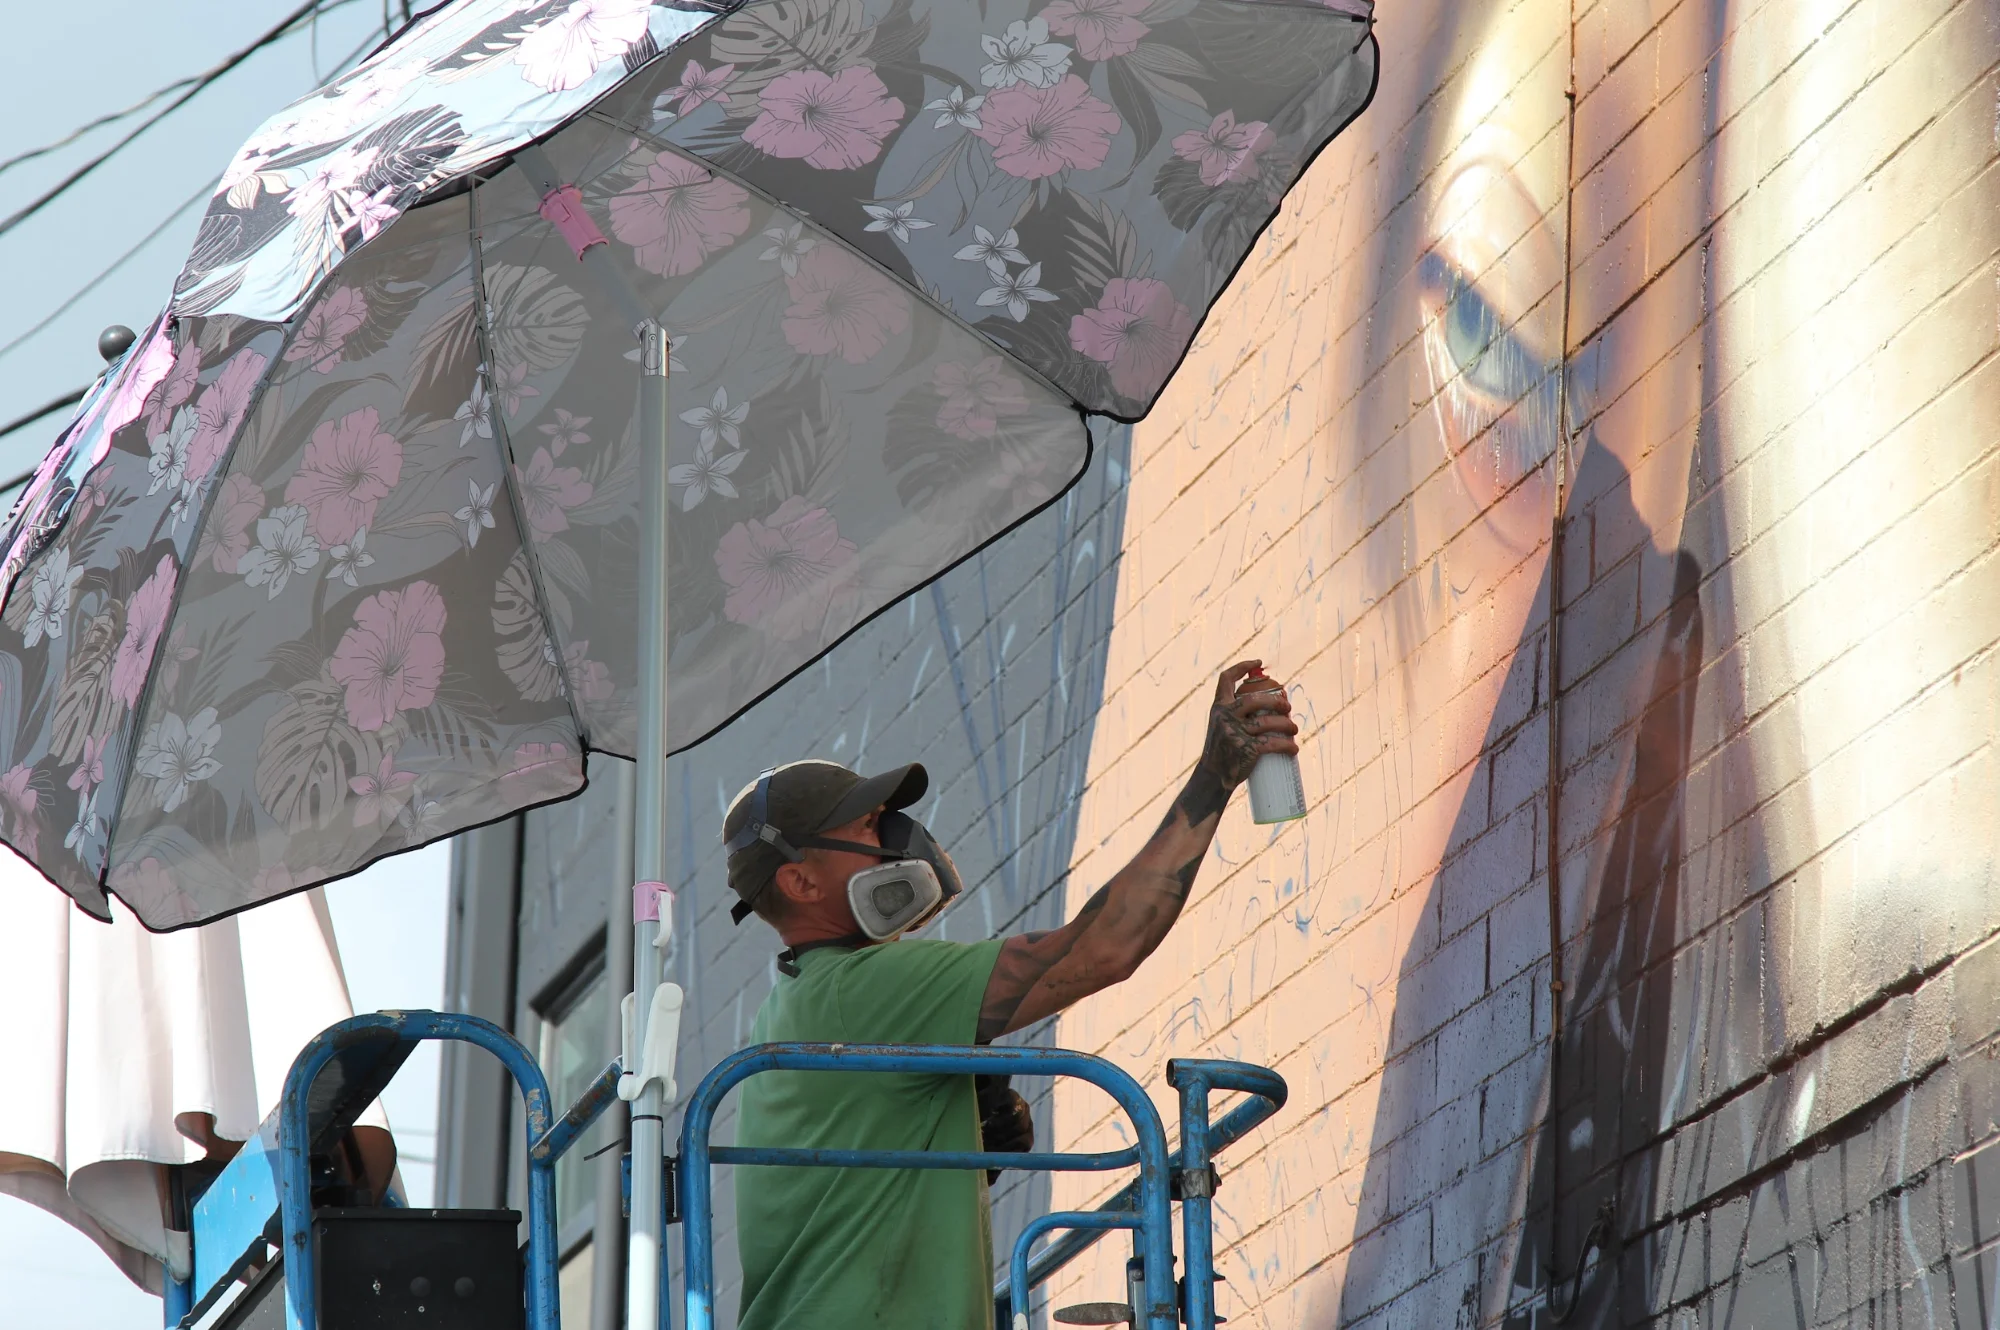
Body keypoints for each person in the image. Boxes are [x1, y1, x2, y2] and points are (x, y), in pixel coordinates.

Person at [720, 660, 1299, 1330]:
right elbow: (1103, 947)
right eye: (870, 829)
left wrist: (961, 1137)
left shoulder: (795, 1005)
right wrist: (1214, 777)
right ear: (801, 884)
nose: (896, 845)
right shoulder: (861, 989)